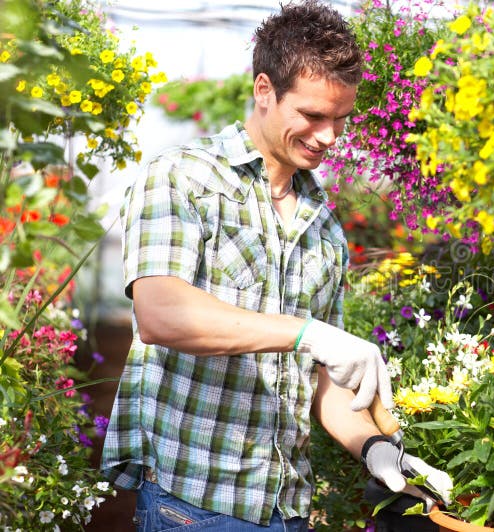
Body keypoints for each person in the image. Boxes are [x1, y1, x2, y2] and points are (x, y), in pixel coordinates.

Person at [100, 2, 452, 530]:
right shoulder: (182, 178)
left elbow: (323, 380)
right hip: (196, 507)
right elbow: (161, 313)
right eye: (313, 115)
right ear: (264, 90)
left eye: (340, 118)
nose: (329, 136)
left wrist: (375, 447)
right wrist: (309, 333)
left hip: (288, 510)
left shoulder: (323, 224)